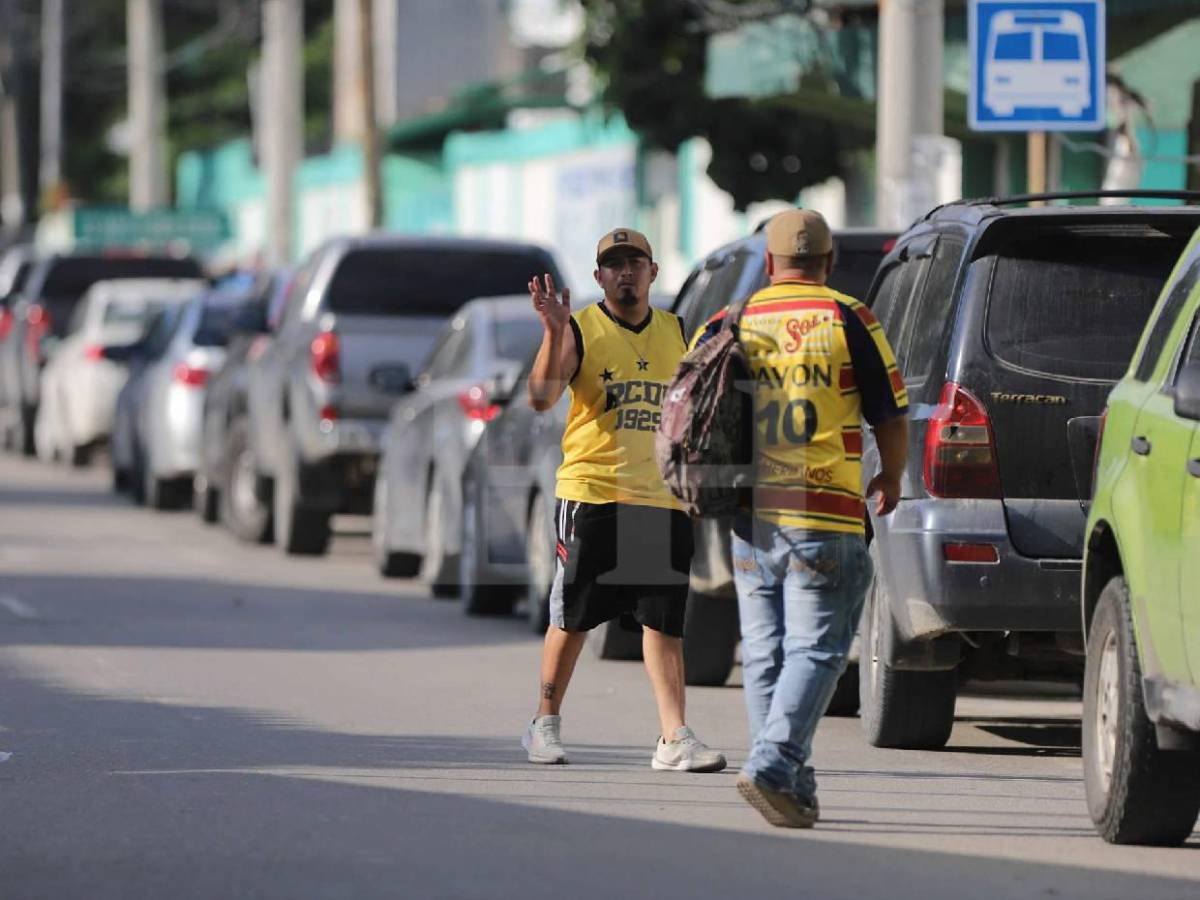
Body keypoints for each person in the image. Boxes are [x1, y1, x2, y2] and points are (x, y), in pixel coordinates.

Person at [694, 208, 908, 827]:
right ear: (829, 262)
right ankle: (774, 763)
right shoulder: (849, 317)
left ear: (768, 263)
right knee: (816, 650)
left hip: (751, 516)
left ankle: (792, 783)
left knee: (764, 651)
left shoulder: (730, 320)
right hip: (826, 512)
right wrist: (890, 477)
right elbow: (890, 414)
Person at [521, 227, 726, 773]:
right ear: (598, 278)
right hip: (592, 491)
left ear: (654, 273)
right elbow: (541, 399)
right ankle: (544, 722)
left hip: (660, 499)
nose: (625, 272)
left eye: (635, 262)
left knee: (664, 624)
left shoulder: (679, 331)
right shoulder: (581, 328)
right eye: (614, 265)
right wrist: (552, 332)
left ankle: (673, 737)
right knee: (573, 619)